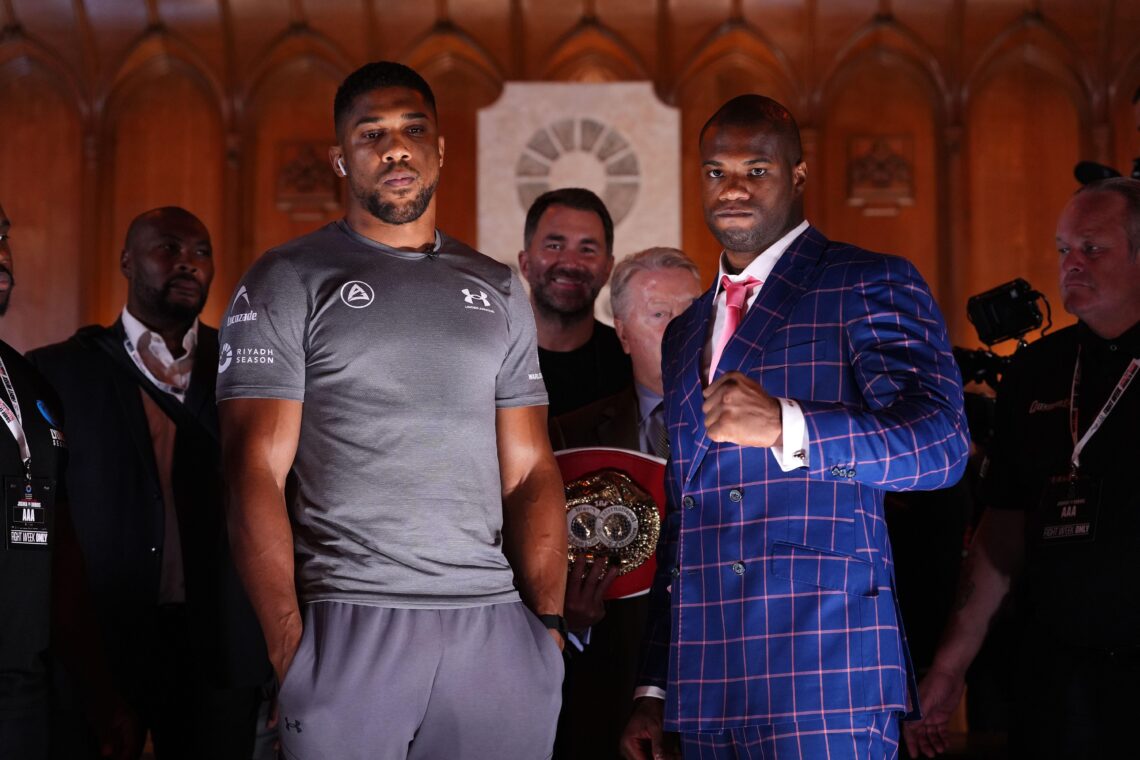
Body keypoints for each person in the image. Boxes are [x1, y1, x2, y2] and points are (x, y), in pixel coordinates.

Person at [216, 61, 567, 760]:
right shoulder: (288, 278)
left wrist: (547, 630)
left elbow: (529, 469)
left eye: (413, 129)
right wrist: (291, 652)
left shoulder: (496, 287)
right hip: (349, 622)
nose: (395, 148)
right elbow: (251, 468)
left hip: (493, 632)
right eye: (370, 133)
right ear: (340, 158)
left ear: (440, 148)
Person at [619, 94, 969, 760]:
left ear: (799, 175)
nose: (733, 189)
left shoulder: (865, 280)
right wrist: (654, 688)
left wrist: (788, 426)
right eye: (717, 173)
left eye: (757, 170)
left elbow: (942, 446)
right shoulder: (686, 329)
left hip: (826, 674)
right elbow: (684, 522)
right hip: (705, 685)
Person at [904, 177, 1140, 758]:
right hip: (1058, 683)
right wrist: (950, 667)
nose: (1072, 265)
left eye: (1093, 248)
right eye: (1064, 250)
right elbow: (1000, 534)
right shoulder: (1037, 370)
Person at [28, 207, 269, 759]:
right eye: (168, 248)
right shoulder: (60, 369)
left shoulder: (249, 367)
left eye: (201, 253)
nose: (188, 263)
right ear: (127, 262)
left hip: (223, 644)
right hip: (104, 642)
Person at [549, 246, 703, 760]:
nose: (682, 330)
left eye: (694, 313)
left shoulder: (764, 427)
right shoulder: (566, 439)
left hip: (732, 687)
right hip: (610, 692)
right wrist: (570, 621)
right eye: (661, 315)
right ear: (621, 331)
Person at [519, 188, 632, 416]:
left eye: (587, 250)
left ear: (607, 268)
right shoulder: (488, 360)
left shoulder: (631, 367)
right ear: (525, 263)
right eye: (554, 246)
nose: (570, 263)